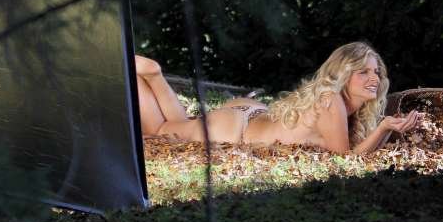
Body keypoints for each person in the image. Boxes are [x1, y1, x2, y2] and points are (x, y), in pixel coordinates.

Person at [134, 42, 422, 154]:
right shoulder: (331, 100)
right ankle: (151, 74)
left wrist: (385, 128)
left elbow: (357, 152)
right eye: (363, 72)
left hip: (252, 115)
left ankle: (155, 78)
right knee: (159, 130)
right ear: (344, 75)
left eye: (376, 72)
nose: (374, 78)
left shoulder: (345, 108)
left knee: (179, 125)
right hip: (236, 129)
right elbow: (345, 159)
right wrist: (384, 128)